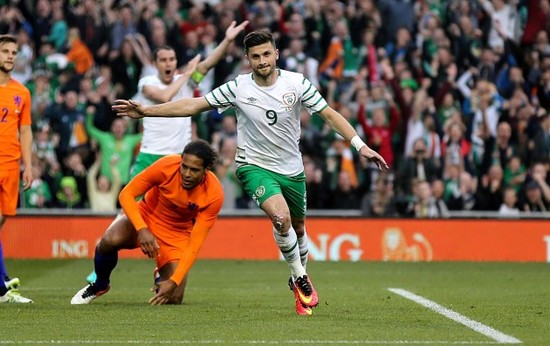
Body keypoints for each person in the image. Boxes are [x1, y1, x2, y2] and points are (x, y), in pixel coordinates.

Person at [112, 30, 389, 315]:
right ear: (248, 60)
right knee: (280, 218)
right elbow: (195, 105)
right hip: (253, 166)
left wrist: (360, 145)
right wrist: (147, 111)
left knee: (299, 228)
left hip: (292, 169)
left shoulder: (297, 83)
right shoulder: (239, 88)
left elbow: (329, 114)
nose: (262, 61)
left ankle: (298, 278)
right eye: (255, 56)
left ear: (276, 54)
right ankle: (301, 279)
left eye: (267, 54)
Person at [86, 20, 248, 285]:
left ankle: (167, 263)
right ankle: (100, 269)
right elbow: (165, 97)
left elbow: (207, 64)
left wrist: (227, 40)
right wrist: (187, 74)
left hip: (181, 161)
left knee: (180, 220)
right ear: (155, 63)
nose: (168, 63)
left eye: (172, 58)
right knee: (125, 216)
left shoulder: (185, 81)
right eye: (163, 59)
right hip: (150, 157)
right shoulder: (147, 82)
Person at [71, 139, 224, 305]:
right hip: (147, 215)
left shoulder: (214, 194)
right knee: (109, 240)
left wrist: (173, 282)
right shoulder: (166, 166)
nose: (187, 174)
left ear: (206, 170)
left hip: (177, 234)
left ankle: (160, 274)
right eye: (184, 166)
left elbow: (195, 244)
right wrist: (142, 229)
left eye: (194, 170)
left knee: (174, 297)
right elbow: (126, 194)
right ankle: (99, 285)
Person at [0, 34, 33, 304]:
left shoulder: (22, 93)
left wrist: (29, 165)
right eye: (5, 51)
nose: (11, 56)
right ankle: (2, 287)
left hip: (11, 165)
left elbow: (25, 130)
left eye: (14, 52)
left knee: (2, 220)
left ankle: (2, 281)